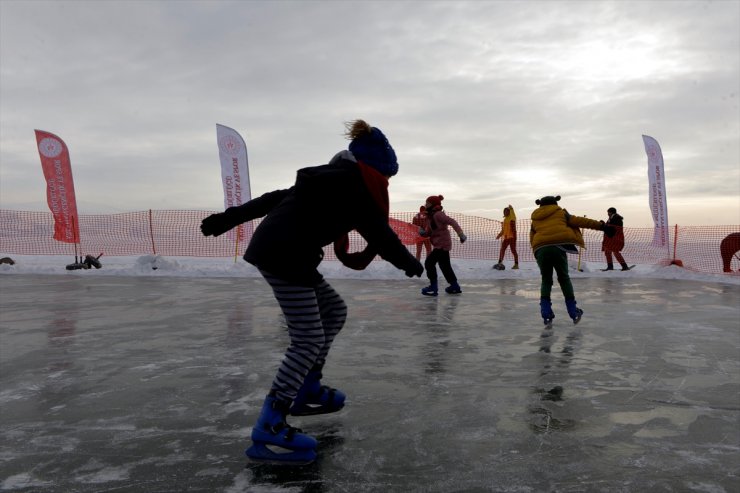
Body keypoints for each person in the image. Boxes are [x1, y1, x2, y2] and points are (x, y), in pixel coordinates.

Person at [200, 119, 423, 464]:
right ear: (375, 170)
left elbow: (272, 199)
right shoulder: (354, 186)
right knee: (307, 339)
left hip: (287, 252)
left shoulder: (330, 179)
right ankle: (270, 423)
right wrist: (409, 262)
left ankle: (307, 388)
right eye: (387, 178)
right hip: (285, 255)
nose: (386, 186)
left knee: (334, 310)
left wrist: (227, 219)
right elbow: (379, 233)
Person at [529, 195, 615, 327]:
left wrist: (537, 254)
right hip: (558, 247)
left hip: (541, 249)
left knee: (546, 280)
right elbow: (580, 221)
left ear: (540, 205)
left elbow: (532, 237)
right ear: (555, 203)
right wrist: (602, 226)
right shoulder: (561, 213)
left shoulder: (535, 219)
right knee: (563, 278)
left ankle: (545, 312)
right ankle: (573, 311)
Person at [418, 195, 467, 296]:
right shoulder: (430, 217)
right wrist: (423, 233)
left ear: (433, 205)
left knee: (429, 263)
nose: (425, 205)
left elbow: (452, 221)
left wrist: (461, 234)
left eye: (427, 203)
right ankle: (454, 286)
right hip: (439, 244)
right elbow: (429, 232)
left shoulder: (438, 214)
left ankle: (433, 287)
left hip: (442, 244)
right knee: (445, 266)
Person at [602, 207, 630, 271]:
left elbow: (612, 228)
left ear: (611, 212)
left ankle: (624, 266)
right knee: (608, 251)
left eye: (608, 212)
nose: (607, 214)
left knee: (615, 252)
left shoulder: (616, 219)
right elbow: (609, 227)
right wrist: (604, 224)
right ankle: (610, 266)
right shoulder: (612, 218)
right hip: (611, 238)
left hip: (614, 238)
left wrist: (604, 225)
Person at [493, 204, 519, 270]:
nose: (505, 212)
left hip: (512, 237)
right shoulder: (504, 220)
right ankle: (500, 262)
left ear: (509, 212)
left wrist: (511, 209)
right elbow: (503, 230)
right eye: (504, 211)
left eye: (507, 211)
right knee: (502, 249)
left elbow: (513, 215)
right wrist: (499, 235)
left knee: (513, 250)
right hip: (506, 237)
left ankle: (516, 264)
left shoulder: (512, 218)